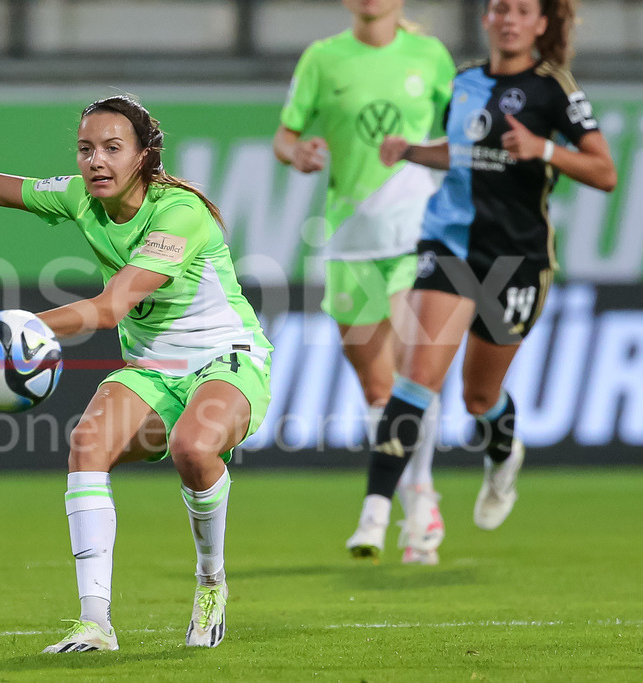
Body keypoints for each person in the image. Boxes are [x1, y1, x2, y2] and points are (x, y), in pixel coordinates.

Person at [0, 62, 273, 652]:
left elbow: (110, 308)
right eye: (85, 149)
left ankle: (210, 582)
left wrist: (4, 330)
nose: (95, 161)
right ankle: (95, 623)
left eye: (112, 148)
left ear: (144, 155)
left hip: (226, 358)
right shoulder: (80, 197)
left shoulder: (179, 213)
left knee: (193, 448)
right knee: (87, 446)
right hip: (152, 367)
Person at [367, 0, 616, 539]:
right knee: (420, 373)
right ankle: (375, 515)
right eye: (501, 9)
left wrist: (543, 148)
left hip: (516, 259)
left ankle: (503, 457)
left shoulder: (555, 88)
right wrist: (411, 151)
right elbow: (462, 152)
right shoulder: (465, 82)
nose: (509, 19)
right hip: (451, 244)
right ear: (486, 19)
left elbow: (604, 172)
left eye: (522, 11)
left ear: (540, 24)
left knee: (478, 398)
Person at [273, 0, 456, 564]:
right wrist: (298, 152)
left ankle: (417, 505)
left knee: (412, 375)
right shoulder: (323, 59)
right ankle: (415, 498)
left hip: (416, 231)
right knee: (378, 390)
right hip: (350, 238)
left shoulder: (430, 55)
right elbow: (284, 137)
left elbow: (461, 140)